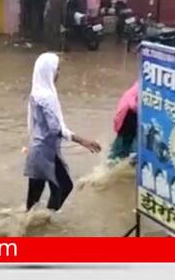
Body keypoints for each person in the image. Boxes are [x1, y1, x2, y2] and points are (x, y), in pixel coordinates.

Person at [24, 53, 101, 213]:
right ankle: (46, 222)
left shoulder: (35, 93)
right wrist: (81, 140)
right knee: (64, 187)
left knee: (33, 201)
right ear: (48, 71)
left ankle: (29, 228)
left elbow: (32, 124)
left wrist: (30, 146)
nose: (58, 73)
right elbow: (55, 128)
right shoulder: (47, 97)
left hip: (36, 150)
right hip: (46, 152)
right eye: (56, 69)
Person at [109, 81, 139, 164]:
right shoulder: (137, 90)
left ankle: (115, 159)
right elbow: (132, 105)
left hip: (124, 119)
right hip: (127, 119)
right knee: (124, 143)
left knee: (123, 143)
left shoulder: (133, 89)